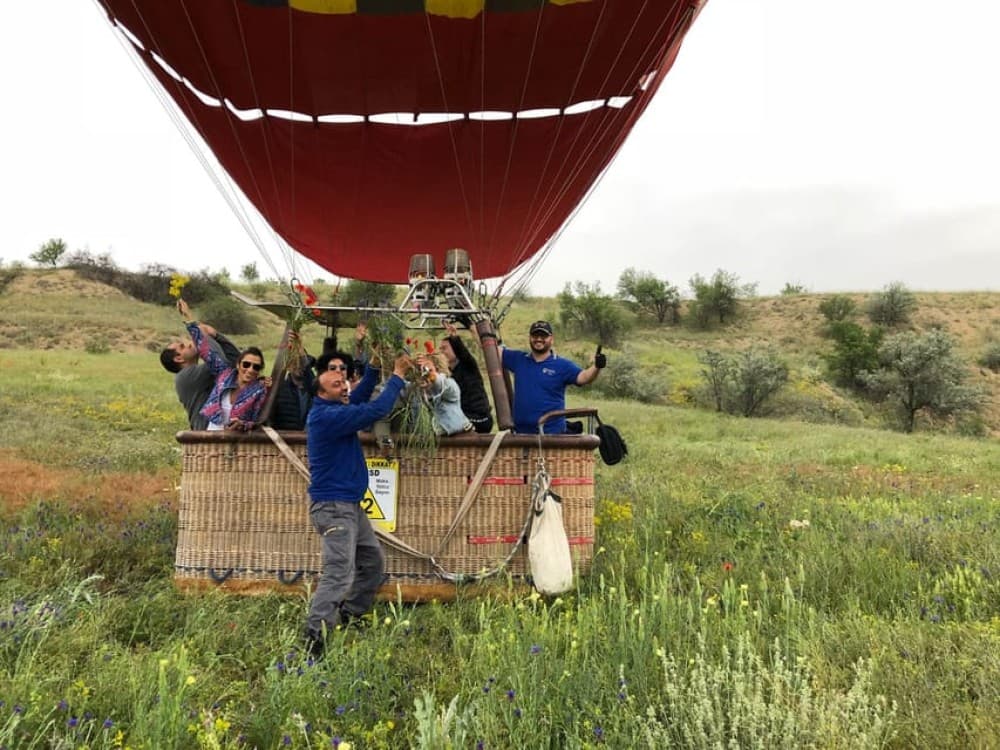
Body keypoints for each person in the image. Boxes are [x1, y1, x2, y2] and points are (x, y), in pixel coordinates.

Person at [304, 352, 412, 656]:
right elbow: (375, 408)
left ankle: (350, 614)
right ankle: (315, 639)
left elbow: (361, 394)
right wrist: (398, 376)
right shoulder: (328, 417)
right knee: (339, 572)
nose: (344, 384)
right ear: (322, 393)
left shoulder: (335, 407)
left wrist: (375, 365)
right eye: (337, 383)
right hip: (334, 507)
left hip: (350, 505)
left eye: (343, 381)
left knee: (372, 562)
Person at [501, 320, 606, 434]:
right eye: (535, 335)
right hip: (520, 434)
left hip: (551, 436)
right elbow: (491, 350)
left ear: (551, 339)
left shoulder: (562, 365)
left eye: (543, 336)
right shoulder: (518, 359)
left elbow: (584, 377)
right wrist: (480, 324)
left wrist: (597, 366)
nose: (539, 339)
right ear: (530, 337)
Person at [159, 299, 241, 430]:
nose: (188, 343)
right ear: (179, 358)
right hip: (208, 432)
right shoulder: (186, 376)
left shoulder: (198, 372)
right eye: (182, 346)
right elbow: (220, 361)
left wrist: (216, 336)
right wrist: (193, 324)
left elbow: (236, 362)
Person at [189, 322, 270, 431]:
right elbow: (206, 352)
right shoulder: (225, 374)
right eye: (246, 364)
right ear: (238, 364)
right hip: (212, 434)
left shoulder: (260, 390)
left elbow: (258, 420)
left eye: (256, 367)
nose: (250, 370)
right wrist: (190, 322)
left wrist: (242, 424)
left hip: (237, 439)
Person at [439, 321, 494, 433]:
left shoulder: (468, 366)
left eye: (444, 348)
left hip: (479, 418)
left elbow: (463, 353)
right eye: (440, 349)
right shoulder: (448, 373)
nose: (441, 352)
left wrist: (454, 337)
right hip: (463, 416)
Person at [409, 353, 473, 436]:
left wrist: (432, 376)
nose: (424, 376)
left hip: (462, 436)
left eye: (428, 371)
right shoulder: (416, 394)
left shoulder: (449, 384)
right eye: (419, 372)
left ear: (438, 370)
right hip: (437, 441)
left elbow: (442, 384)